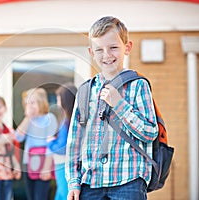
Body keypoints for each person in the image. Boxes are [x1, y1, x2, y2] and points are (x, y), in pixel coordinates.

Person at [65, 16, 159, 200]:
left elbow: (150, 132)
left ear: (127, 47)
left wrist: (119, 105)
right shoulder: (85, 91)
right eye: (99, 49)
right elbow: (74, 141)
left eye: (113, 47)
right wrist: (73, 182)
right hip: (90, 183)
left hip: (129, 181)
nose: (106, 55)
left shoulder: (138, 85)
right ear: (91, 52)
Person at [14, 87, 58, 200]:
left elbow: (51, 145)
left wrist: (46, 167)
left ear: (41, 102)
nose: (30, 106)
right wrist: (28, 117)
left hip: (44, 164)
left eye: (32, 102)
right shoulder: (29, 120)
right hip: (29, 164)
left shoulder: (50, 118)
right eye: (27, 103)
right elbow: (18, 137)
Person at [47, 83, 77, 200]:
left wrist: (50, 142)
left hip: (63, 165)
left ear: (65, 100)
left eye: (59, 99)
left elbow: (63, 148)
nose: (57, 103)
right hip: (64, 165)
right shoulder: (73, 120)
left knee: (63, 194)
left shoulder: (66, 123)